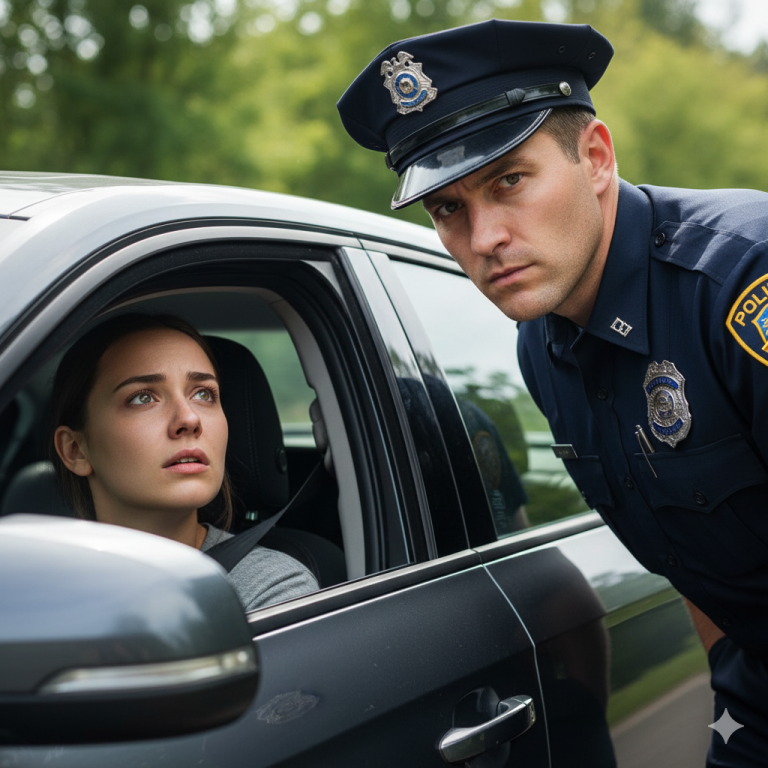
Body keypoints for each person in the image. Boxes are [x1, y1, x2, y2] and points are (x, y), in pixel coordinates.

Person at [338, 19, 768, 767]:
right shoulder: (542, 347)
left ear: (595, 157)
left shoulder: (742, 282)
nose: (485, 237)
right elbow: (696, 564)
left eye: (509, 180)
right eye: (449, 209)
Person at [50, 312, 318, 611]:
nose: (189, 419)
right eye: (142, 397)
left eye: (203, 394)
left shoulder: (271, 588)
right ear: (76, 450)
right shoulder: (30, 588)